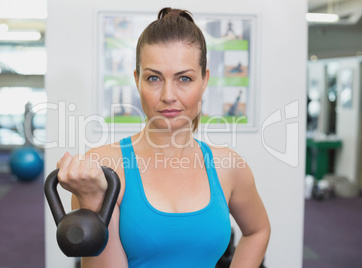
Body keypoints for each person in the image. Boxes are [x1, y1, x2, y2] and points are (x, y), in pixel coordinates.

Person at [56, 7, 270, 268]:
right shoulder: (102, 168)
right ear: (137, 81)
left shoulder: (229, 167)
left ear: (204, 81)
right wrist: (93, 201)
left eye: (184, 78)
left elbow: (258, 231)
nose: (168, 95)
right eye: (154, 78)